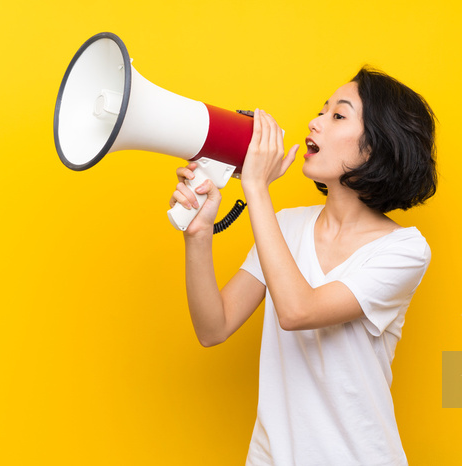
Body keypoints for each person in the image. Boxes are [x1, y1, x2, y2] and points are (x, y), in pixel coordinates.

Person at [170, 66, 437, 466]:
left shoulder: (404, 251)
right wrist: (198, 234)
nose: (314, 122)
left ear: (377, 147)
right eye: (321, 110)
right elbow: (213, 327)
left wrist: (256, 187)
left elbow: (298, 311)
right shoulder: (287, 226)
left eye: (338, 115)